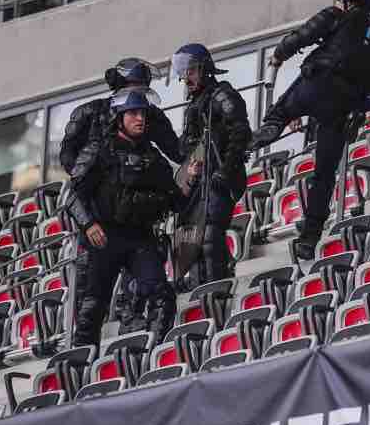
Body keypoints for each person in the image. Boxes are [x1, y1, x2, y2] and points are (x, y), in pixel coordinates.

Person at [251, 0, 370, 257]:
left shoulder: (335, 16)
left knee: (280, 113)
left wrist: (279, 56)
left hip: (315, 84)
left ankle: (261, 135)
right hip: (342, 108)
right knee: (324, 176)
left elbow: (302, 35)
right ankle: (309, 238)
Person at [67, 88, 186, 350]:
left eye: (142, 113)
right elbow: (73, 197)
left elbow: (175, 198)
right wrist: (88, 224)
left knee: (162, 296)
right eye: (133, 113)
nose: (140, 118)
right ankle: (79, 369)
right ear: (119, 117)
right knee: (92, 309)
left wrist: (192, 177)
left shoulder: (153, 156)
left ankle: (156, 353)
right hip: (104, 239)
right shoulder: (98, 150)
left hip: (139, 238)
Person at [171, 44, 252, 286]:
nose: (187, 79)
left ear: (205, 70)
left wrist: (225, 171)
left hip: (219, 178)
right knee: (191, 242)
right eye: (185, 73)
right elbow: (185, 146)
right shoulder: (194, 105)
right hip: (199, 181)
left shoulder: (221, 95)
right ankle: (202, 295)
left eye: (192, 71)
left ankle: (218, 291)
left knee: (209, 237)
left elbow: (240, 132)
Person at [59, 57, 183, 173]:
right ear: (120, 87)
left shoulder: (152, 115)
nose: (139, 95)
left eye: (143, 89)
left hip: (136, 182)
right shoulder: (90, 112)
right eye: (135, 88)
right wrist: (88, 178)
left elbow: (177, 152)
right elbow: (68, 153)